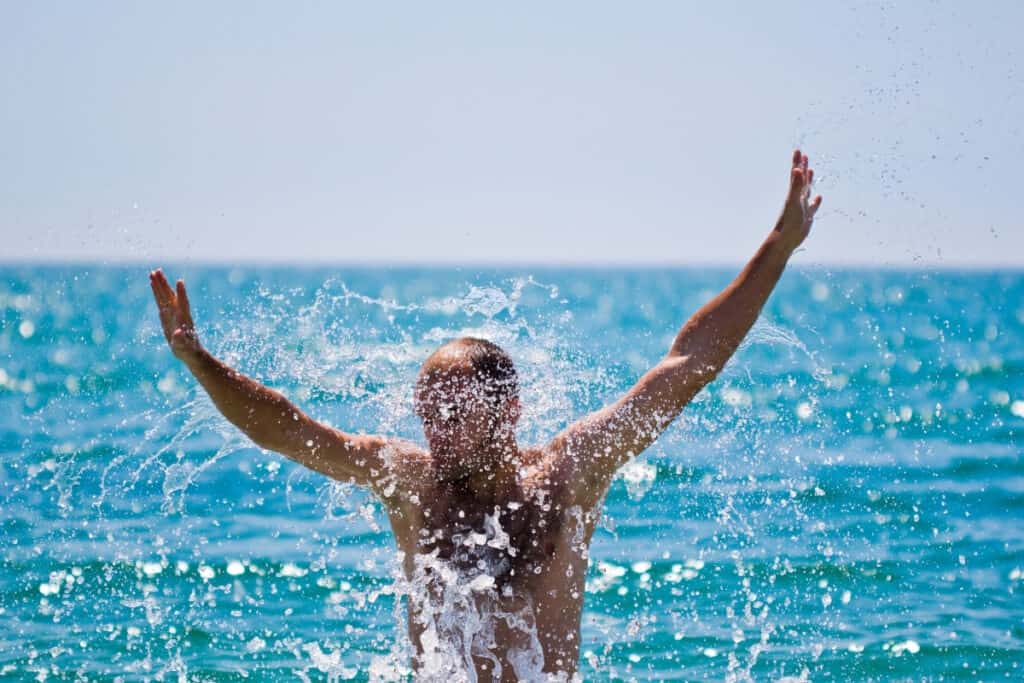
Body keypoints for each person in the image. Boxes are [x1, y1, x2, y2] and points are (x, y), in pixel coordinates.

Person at [149, 150, 822, 681]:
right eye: (426, 411)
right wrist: (200, 363)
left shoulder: (569, 475)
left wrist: (780, 245)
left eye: (453, 410)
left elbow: (686, 367)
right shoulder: (410, 483)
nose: (434, 427)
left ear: (509, 411)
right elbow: (290, 431)